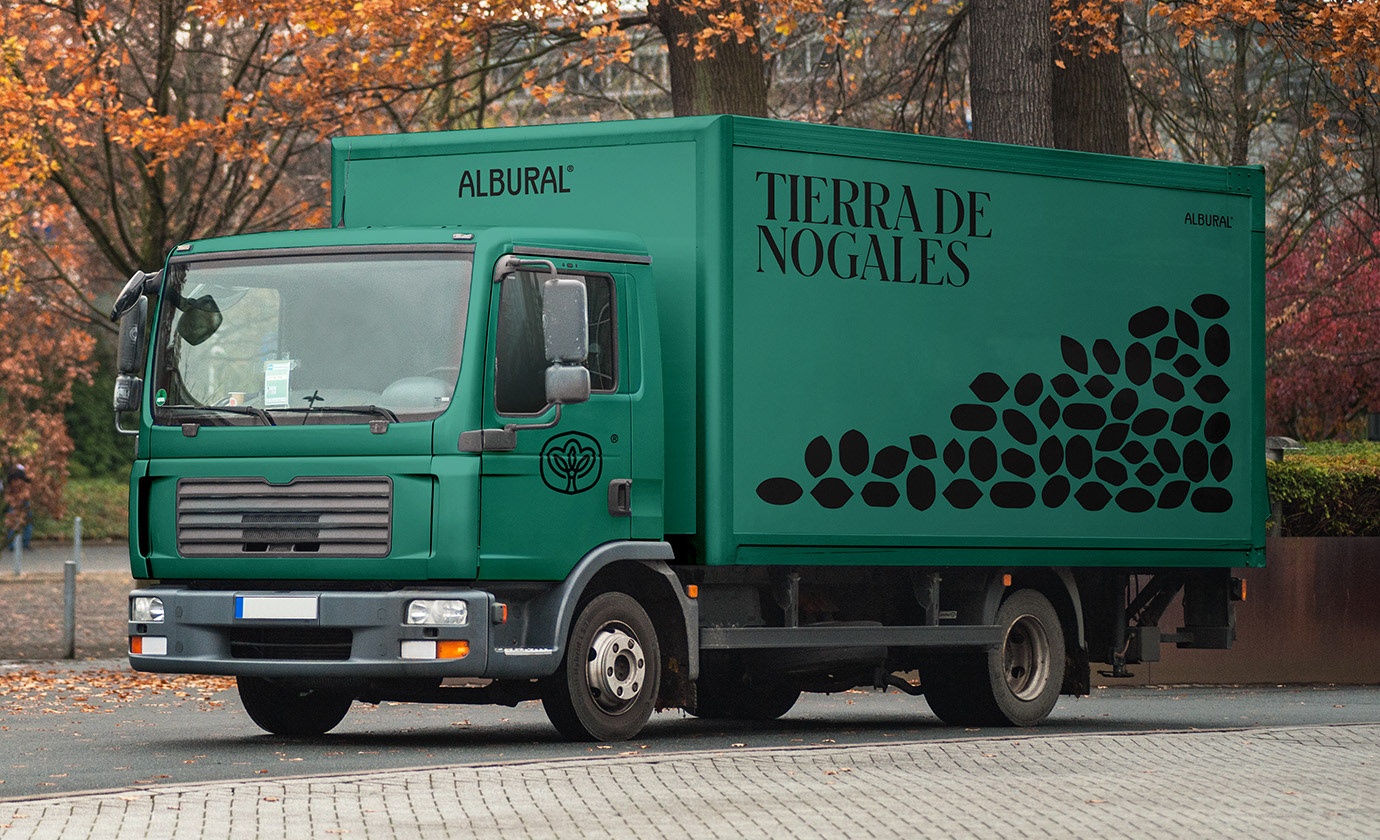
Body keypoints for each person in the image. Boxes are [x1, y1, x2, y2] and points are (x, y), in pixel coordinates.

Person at [4, 464, 33, 552]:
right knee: (13, 521)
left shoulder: (24, 482)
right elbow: (8, 495)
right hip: (14, 501)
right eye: (15, 481)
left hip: (23, 501)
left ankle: (25, 543)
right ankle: (12, 544)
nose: (17, 483)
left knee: (27, 520)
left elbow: (27, 492)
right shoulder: (10, 483)